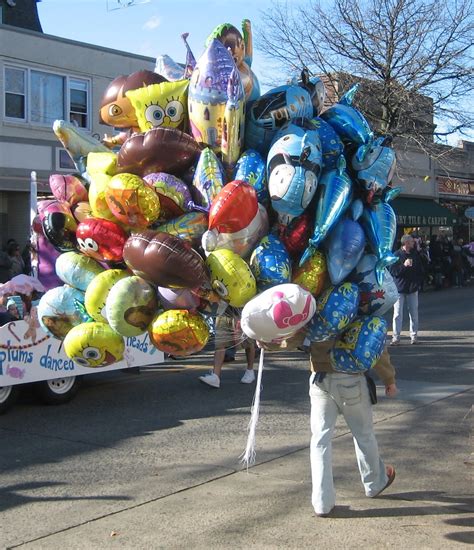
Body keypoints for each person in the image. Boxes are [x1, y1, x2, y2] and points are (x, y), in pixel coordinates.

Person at [259, 335, 398, 517]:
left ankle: (322, 503)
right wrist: (389, 378)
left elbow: (295, 334)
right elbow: (375, 341)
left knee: (320, 440)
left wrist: (267, 341)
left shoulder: (315, 307)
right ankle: (374, 483)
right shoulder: (361, 306)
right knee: (363, 435)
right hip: (353, 378)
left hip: (320, 378)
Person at [199, 311, 256, 389]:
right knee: (220, 342)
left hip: (243, 310)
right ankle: (215, 376)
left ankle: (250, 371)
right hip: (224, 310)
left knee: (248, 341)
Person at [389, 234, 425, 345]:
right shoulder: (396, 255)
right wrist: (404, 266)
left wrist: (418, 283)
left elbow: (420, 269)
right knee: (397, 314)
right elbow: (393, 272)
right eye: (411, 242)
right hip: (399, 289)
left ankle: (414, 337)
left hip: (412, 288)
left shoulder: (415, 254)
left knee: (414, 313)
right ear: (406, 243)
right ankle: (396, 337)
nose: (413, 243)